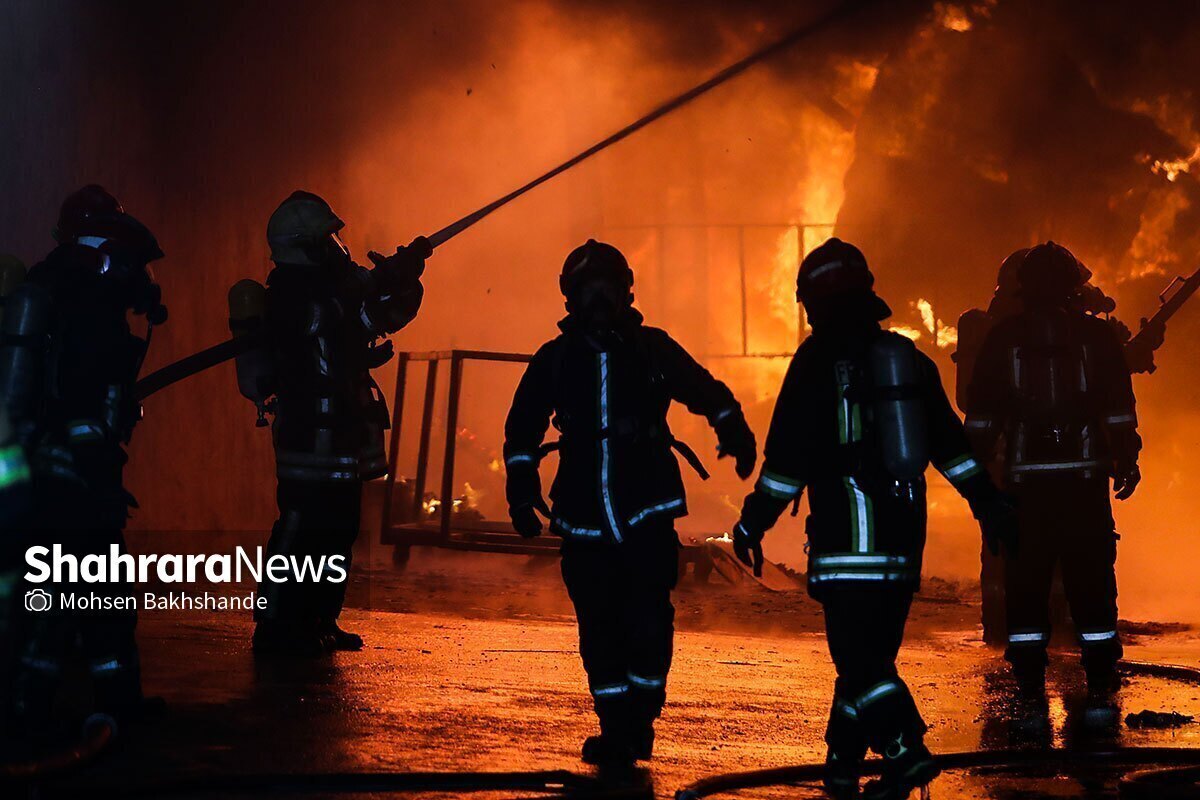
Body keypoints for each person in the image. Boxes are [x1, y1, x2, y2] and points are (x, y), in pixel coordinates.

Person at [731, 238, 1017, 799]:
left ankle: (906, 751)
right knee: (869, 660)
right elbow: (952, 448)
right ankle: (840, 764)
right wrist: (988, 502)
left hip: (845, 543)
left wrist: (753, 521)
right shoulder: (908, 361)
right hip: (902, 541)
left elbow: (786, 459)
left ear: (815, 302)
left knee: (860, 663)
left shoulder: (814, 364)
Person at [503, 239, 756, 765]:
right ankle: (617, 725)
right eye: (587, 289)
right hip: (582, 516)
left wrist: (731, 427)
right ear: (571, 299)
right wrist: (522, 489)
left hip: (646, 512)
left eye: (608, 288)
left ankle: (640, 716)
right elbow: (522, 427)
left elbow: (702, 389)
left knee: (647, 619)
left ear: (625, 293)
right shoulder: (556, 360)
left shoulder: (653, 349)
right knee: (597, 626)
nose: (599, 299)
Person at [2, 185, 167, 731]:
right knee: (72, 594)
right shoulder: (88, 299)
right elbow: (79, 391)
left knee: (80, 591)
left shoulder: (56, 285)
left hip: (57, 465)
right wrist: (96, 470)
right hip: (73, 469)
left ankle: (57, 705)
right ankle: (47, 711)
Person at [250, 190, 428, 655]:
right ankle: (274, 623)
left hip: (343, 433)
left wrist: (404, 280)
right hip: (308, 435)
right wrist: (362, 286)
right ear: (303, 245)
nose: (336, 246)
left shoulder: (339, 287)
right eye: (326, 239)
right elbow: (313, 321)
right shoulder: (286, 294)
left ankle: (319, 621)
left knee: (339, 529)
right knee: (300, 526)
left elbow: (381, 316)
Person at [964, 242, 1140, 711]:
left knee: (1026, 580)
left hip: (1026, 484)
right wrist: (1127, 460)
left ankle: (1027, 679)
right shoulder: (1097, 339)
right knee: (1092, 578)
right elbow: (1120, 409)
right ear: (1073, 288)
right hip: (1085, 484)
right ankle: (1100, 673)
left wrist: (978, 480)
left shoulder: (1004, 339)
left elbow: (980, 416)